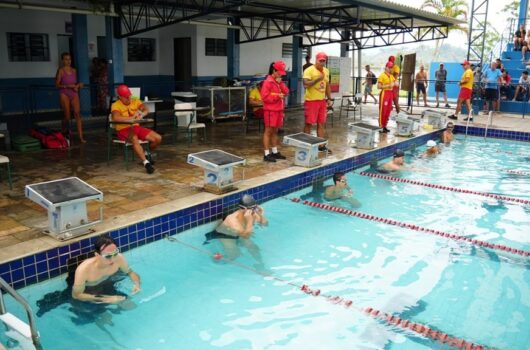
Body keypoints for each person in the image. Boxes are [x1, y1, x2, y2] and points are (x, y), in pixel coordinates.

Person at [72, 236, 141, 304]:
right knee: (105, 315)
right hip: (89, 291)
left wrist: (137, 285)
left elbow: (130, 272)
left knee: (130, 305)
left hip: (108, 284)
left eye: (115, 253)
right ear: (97, 255)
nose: (113, 259)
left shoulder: (119, 258)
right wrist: (105, 299)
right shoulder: (84, 269)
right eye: (108, 256)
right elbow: (76, 295)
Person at [111, 84, 162, 174]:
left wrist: (142, 114)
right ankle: (146, 163)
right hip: (123, 130)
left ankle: (146, 153)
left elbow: (145, 108)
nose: (128, 98)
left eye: (129, 96)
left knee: (158, 138)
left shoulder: (135, 100)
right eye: (126, 97)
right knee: (134, 139)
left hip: (136, 127)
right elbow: (116, 118)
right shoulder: (115, 105)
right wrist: (132, 118)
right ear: (120, 97)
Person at [204, 194, 267, 264]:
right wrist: (249, 221)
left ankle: (261, 264)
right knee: (234, 255)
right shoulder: (232, 219)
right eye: (252, 209)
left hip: (240, 234)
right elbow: (246, 236)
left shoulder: (252, 213)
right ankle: (216, 257)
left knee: (254, 247)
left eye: (255, 208)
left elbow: (265, 224)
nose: (254, 211)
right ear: (243, 209)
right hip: (226, 236)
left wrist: (261, 215)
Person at [303, 51, 333, 153]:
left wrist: (329, 98)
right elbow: (305, 84)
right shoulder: (309, 70)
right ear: (316, 60)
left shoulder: (326, 71)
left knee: (321, 123)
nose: (322, 63)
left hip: (322, 101)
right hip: (311, 101)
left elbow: (327, 85)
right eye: (320, 61)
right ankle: (306, 144)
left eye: (324, 61)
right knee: (309, 123)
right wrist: (317, 79)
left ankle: (321, 145)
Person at [261, 61, 289, 162]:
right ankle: (266, 154)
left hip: (278, 110)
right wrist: (277, 96)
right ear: (274, 71)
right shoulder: (268, 82)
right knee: (268, 131)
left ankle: (275, 151)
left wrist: (280, 82)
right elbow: (264, 97)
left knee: (275, 131)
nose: (281, 74)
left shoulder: (278, 82)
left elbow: (286, 91)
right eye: (279, 72)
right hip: (270, 111)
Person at [55, 52, 86, 143]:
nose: (68, 61)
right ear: (62, 60)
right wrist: (67, 86)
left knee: (77, 114)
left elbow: (75, 84)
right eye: (66, 59)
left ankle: (81, 137)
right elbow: (57, 85)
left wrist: (79, 85)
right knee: (67, 116)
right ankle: (63, 129)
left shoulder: (74, 70)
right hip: (64, 93)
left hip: (73, 93)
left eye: (69, 59)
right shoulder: (61, 70)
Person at [377, 61, 396, 133]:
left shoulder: (391, 76)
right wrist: (388, 85)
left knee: (388, 110)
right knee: (383, 110)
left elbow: (395, 83)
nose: (391, 69)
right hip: (385, 93)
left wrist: (395, 83)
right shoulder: (382, 75)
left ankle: (385, 126)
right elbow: (378, 86)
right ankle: (381, 126)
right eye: (390, 67)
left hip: (390, 94)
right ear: (386, 68)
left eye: (392, 67)